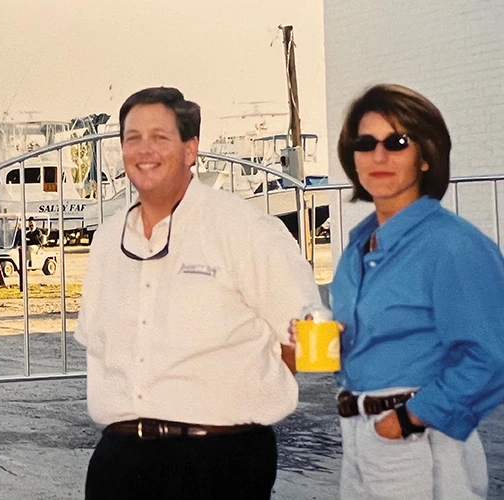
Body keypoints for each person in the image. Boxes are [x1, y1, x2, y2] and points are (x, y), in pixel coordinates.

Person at [74, 87, 322, 500]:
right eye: (132, 138)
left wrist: (264, 380)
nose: (144, 150)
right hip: (120, 464)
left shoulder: (243, 229)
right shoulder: (105, 242)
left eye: (160, 137)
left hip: (218, 465)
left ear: (191, 149)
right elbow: (97, 347)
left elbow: (316, 336)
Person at [317, 83, 504, 499]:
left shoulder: (450, 245)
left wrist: (405, 422)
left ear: (425, 156)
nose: (378, 156)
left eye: (396, 142)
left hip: (417, 441)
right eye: (365, 144)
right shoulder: (359, 247)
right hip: (360, 436)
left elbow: (492, 354)